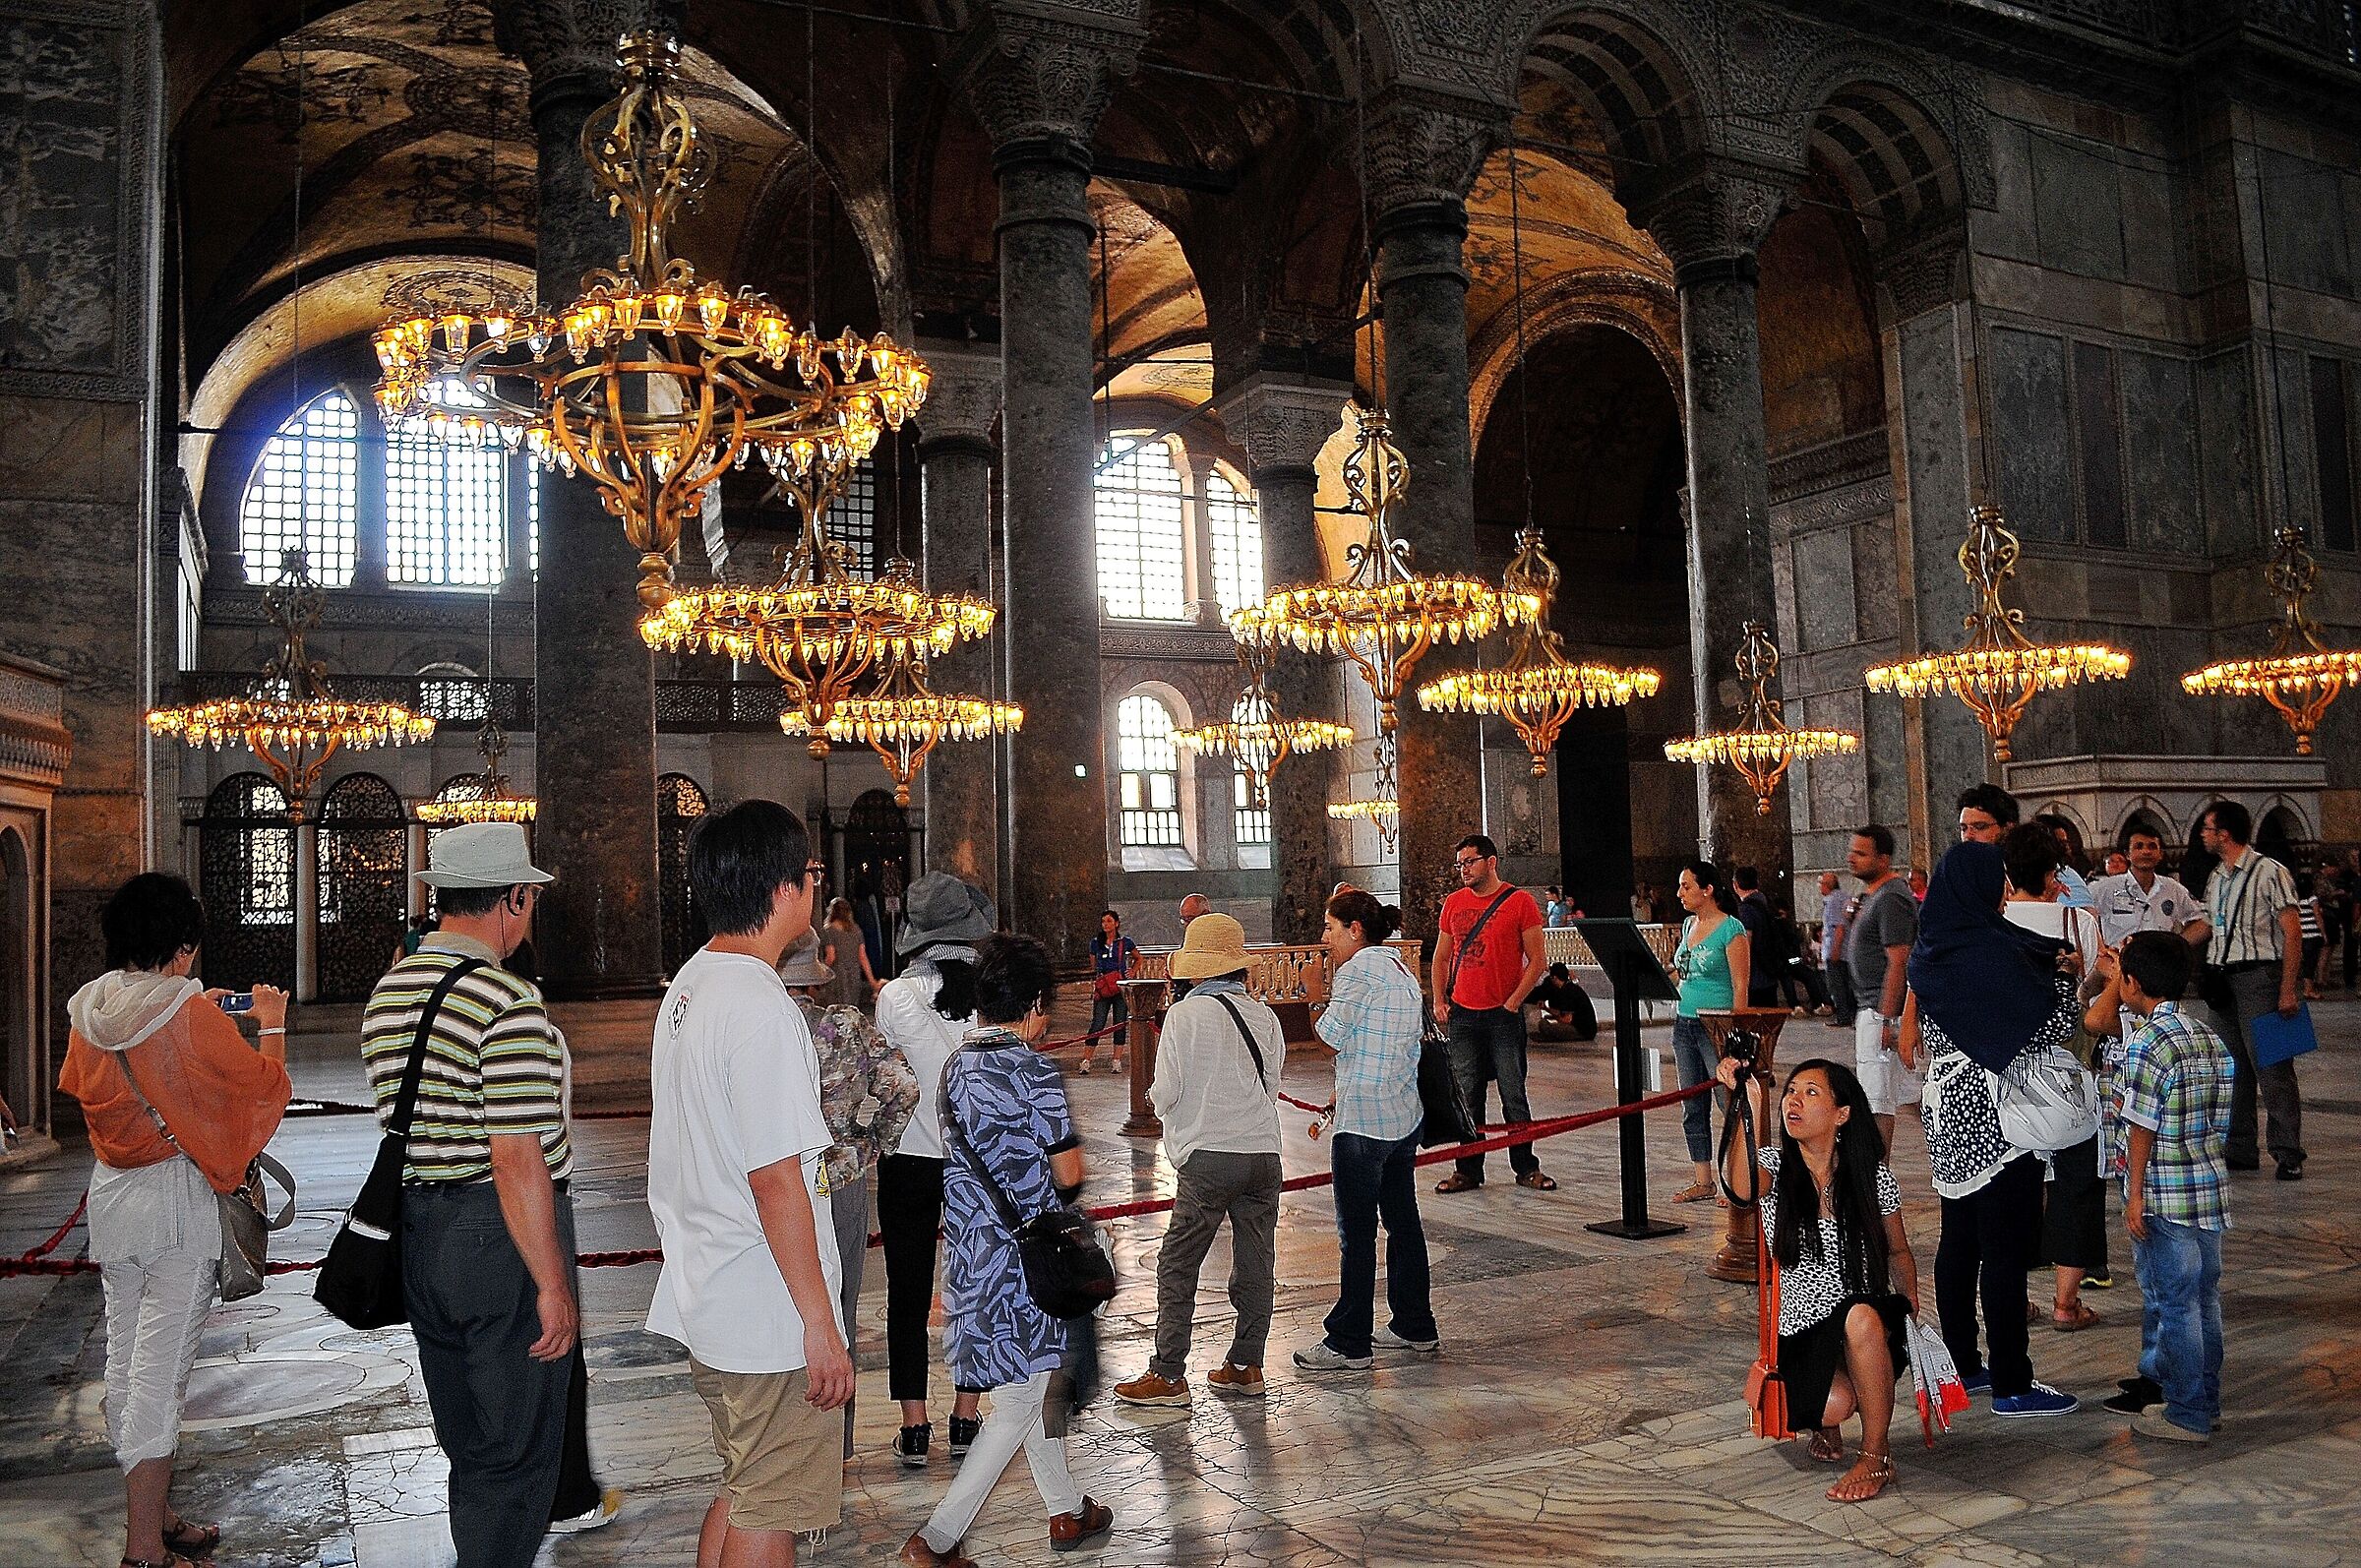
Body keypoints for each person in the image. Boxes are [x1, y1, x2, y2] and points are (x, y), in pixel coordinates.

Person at [58, 873, 292, 1568]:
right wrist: (271, 1023)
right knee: (161, 1374)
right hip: (174, 1208)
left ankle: (154, 1516)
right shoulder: (189, 1015)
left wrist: (199, 1018)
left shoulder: (88, 1009)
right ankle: (143, 1552)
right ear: (185, 947)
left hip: (113, 1199)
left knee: (126, 1364)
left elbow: (98, 1089)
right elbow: (259, 1094)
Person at [359, 822, 577, 1568]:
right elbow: (515, 1156)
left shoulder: (391, 991)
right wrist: (551, 1281)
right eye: (530, 900)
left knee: (472, 1445)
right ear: (513, 898)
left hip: (422, 1234)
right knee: (517, 1450)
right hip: (501, 1238)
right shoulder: (504, 999)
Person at [645, 801, 856, 1568]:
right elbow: (775, 1179)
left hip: (710, 1288)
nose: (814, 886)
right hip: (766, 1311)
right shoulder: (763, 1009)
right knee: (774, 1506)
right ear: (781, 888)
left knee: (744, 1486)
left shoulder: (692, 985)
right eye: (811, 872)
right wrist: (819, 1324)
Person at [900, 934, 1112, 1566]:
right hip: (1027, 1265)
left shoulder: (954, 1069)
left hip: (971, 1258)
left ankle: (1067, 1510)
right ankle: (936, 1540)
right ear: (1035, 1004)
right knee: (1021, 1401)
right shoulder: (1034, 1071)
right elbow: (1068, 1173)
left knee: (1032, 1385)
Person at [1901, 839, 2083, 1419]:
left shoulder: (1934, 949)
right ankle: (2012, 1381)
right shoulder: (1992, 954)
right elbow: (2049, 1029)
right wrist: (2063, 984)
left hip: (1947, 1106)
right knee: (2005, 1247)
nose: (2005, 889)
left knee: (1961, 1239)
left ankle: (1964, 1363)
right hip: (1998, 1106)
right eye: (1997, 879)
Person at [1717, 1055, 1918, 1502]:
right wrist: (1747, 1106)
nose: (1795, 1101)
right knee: (1833, 1404)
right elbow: (1741, 1188)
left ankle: (1876, 1454)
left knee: (1860, 1317)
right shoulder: (1775, 1166)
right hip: (1804, 1327)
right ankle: (1833, 1421)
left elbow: (1900, 1251)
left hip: (1866, 1315)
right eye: (1791, 1091)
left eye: (1811, 1093)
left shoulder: (1872, 1177)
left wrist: (1913, 1312)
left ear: (1841, 1114)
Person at [1114, 914, 1286, 1405]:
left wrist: (1160, 1102)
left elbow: (1164, 1092)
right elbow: (1271, 1087)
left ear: (1195, 968)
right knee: (1255, 1262)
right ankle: (1246, 1364)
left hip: (1210, 1157)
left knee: (1178, 1262)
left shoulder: (1185, 1016)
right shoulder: (1265, 1016)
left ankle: (1168, 1374)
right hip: (1263, 1154)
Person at [2085, 933, 2233, 1439]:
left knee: (2175, 1304)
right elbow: (2220, 1120)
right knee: (2205, 1300)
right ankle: (2206, 1402)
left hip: (2163, 1193)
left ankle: (2187, 1413)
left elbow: (2140, 1125)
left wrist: (2136, 1194)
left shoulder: (2148, 1041)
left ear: (2132, 982)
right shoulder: (2207, 1036)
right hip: (2207, 1187)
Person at [779, 931, 920, 1458]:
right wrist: (869, 1145)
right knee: (838, 1308)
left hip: (770, 1188)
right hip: (839, 1183)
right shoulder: (843, 1026)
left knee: (784, 1307)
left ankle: (786, 1441)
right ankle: (835, 1444)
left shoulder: (756, 1028)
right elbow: (903, 1086)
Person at [874, 873, 995, 1470]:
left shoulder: (894, 997)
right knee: (970, 1283)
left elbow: (886, 1072)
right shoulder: (987, 996)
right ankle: (967, 1414)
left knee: (908, 1288)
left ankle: (914, 1424)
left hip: (908, 1162)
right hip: (972, 1163)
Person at [1295, 889, 1437, 1372]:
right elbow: (1381, 1042)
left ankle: (1349, 1341)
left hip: (1363, 1126)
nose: (1324, 938)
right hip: (1400, 1114)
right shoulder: (1399, 967)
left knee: (1356, 1234)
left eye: (1330, 929)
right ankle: (1415, 1325)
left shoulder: (1357, 971)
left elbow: (1329, 1037)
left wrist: (1314, 992)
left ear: (1355, 930)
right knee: (1402, 1221)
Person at [2000, 825, 2108, 1334]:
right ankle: (2067, 1303)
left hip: (2005, 1069)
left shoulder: (1992, 924)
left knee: (2014, 1180)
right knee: (2074, 1183)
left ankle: (2016, 1297)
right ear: (2052, 875)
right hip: (2067, 1069)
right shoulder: (2077, 920)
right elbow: (2096, 991)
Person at [1430, 833, 1554, 1193]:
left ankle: (1526, 1167)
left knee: (1513, 1092)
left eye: (1470, 862)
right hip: (1464, 1014)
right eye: (1460, 864)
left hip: (1503, 1014)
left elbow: (1537, 961)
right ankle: (1468, 1169)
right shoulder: (1453, 903)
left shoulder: (1519, 902)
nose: (1463, 870)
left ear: (1491, 862)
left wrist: (1514, 1002)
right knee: (1468, 1094)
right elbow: (1441, 958)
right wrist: (1440, 999)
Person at [2197, 800, 2305, 1178]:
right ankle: (2239, 1147)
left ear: (2224, 834)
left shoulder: (2269, 872)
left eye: (2207, 829)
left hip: (2263, 978)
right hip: (2223, 981)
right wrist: (2170, 944)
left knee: (2273, 1066)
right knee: (2231, 1068)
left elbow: (2292, 931)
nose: (2203, 835)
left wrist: (2288, 988)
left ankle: (2287, 1151)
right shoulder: (2217, 877)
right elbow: (2208, 925)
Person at [1668, 861, 1750, 1206]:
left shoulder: (1731, 929)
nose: (1680, 893)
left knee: (1726, 1101)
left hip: (1717, 1027)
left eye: (1687, 886)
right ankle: (1703, 1179)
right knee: (1692, 1104)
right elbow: (1681, 970)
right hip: (1684, 1022)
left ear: (1708, 890)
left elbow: (1740, 984)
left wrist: (1739, 1034)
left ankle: (1737, 1177)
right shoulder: (1688, 924)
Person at [1846, 826, 1920, 1151]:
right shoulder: (1877, 895)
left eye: (1861, 853)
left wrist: (1887, 1019)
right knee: (1902, 1094)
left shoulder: (1892, 898)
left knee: (1877, 1102)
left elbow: (1899, 961)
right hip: (1872, 1007)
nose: (1852, 858)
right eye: (1852, 851)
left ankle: (1875, 1180)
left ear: (1884, 859)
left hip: (1881, 1009)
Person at [2089, 827, 2210, 953]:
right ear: (2127, 855)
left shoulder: (2172, 888)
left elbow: (2203, 921)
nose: (2146, 851)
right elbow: (2078, 917)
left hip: (2160, 966)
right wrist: (2100, 952)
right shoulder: (2105, 888)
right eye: (2139, 846)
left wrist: (2177, 946)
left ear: (2160, 854)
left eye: (2152, 846)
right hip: (2120, 966)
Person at [1083, 910, 1137, 1075]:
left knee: (1119, 1023)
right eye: (1103, 922)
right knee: (1098, 1022)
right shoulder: (1095, 943)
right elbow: (1093, 964)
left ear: (1116, 923)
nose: (1105, 924)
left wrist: (1132, 971)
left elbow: (1138, 957)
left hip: (1120, 987)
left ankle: (1116, 1060)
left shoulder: (1125, 942)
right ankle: (1086, 1060)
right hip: (1104, 987)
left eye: (1108, 921)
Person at [1732, 866, 1782, 1008]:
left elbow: (1745, 944)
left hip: (1755, 977)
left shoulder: (1745, 910)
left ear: (1735, 885)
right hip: (1770, 971)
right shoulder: (1766, 902)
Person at [817, 896, 878, 1011]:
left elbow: (831, 956)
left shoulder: (828, 930)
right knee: (851, 1011)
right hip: (854, 975)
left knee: (835, 1012)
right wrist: (872, 981)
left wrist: (820, 975)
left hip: (837, 976)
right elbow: (863, 957)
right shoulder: (856, 930)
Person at [1819, 871, 1855, 1029]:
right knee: (1846, 985)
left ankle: (1844, 1016)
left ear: (1827, 885)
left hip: (1837, 951)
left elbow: (1838, 927)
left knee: (1837, 986)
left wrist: (1835, 950)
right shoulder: (1844, 897)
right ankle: (1849, 1015)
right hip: (1847, 951)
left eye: (1821, 883)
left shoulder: (1833, 900)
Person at [1528, 963, 1598, 1043]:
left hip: (1582, 1031)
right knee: (1545, 1023)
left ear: (1554, 978)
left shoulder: (1568, 992)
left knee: (1543, 1025)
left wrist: (1554, 1019)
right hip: (1583, 1028)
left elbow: (1566, 1019)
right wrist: (1545, 1008)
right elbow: (1561, 1013)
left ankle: (1550, 1037)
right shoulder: (1567, 988)